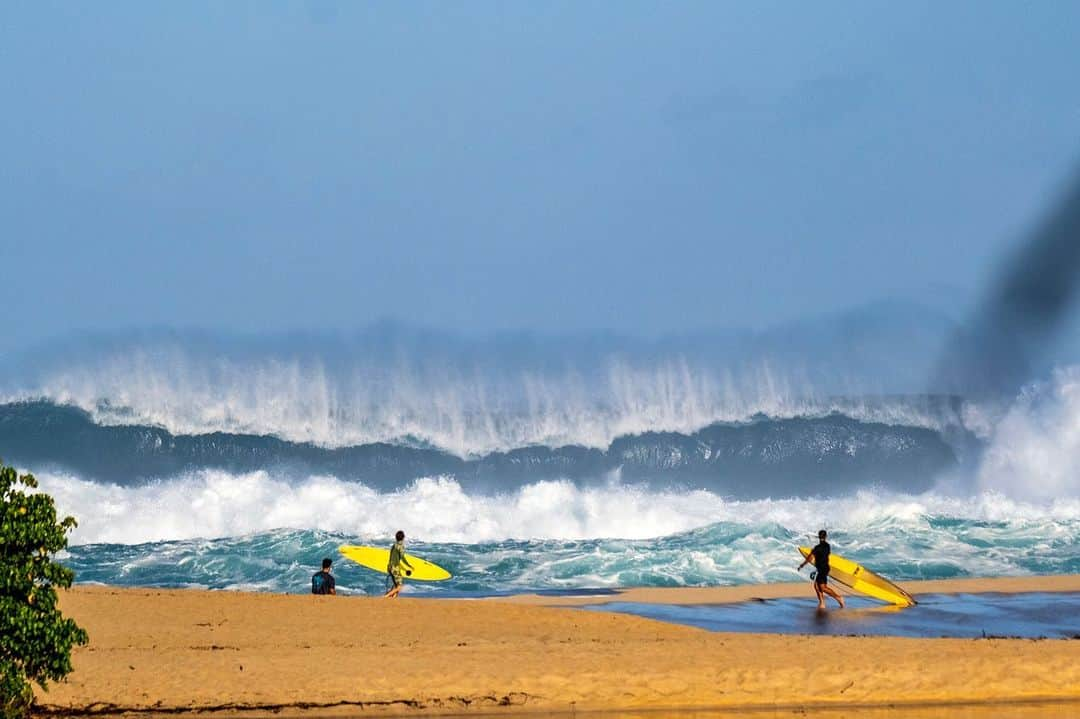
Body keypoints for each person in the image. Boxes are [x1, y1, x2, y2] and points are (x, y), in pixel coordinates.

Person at [798, 529, 844, 609]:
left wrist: (802, 565)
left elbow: (809, 559)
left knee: (823, 588)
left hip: (822, 569)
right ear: (826, 537)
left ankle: (838, 597)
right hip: (824, 568)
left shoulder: (817, 548)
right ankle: (822, 603)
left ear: (819, 537)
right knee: (816, 585)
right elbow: (824, 556)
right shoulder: (827, 546)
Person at [384, 530, 414, 599]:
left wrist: (389, 566)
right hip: (395, 567)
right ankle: (386, 596)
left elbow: (390, 556)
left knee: (396, 585)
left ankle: (393, 598)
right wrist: (409, 565)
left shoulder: (394, 545)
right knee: (399, 586)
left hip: (390, 566)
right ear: (403, 538)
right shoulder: (400, 546)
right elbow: (402, 558)